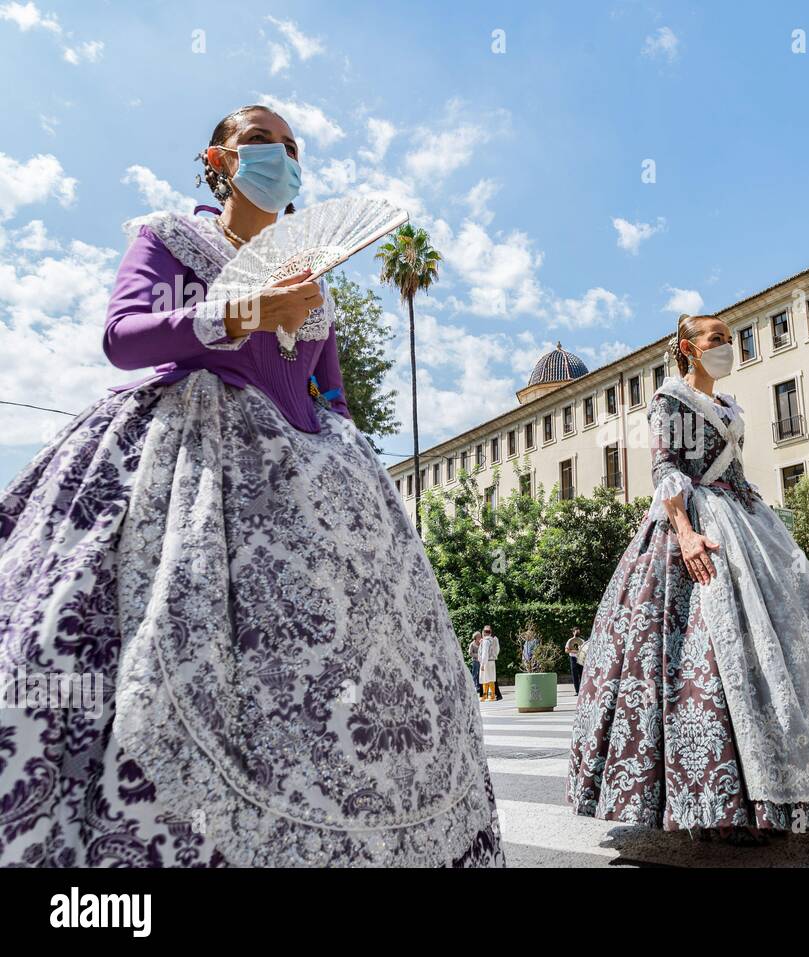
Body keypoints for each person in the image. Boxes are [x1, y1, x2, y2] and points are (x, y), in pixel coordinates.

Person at [0, 105, 502, 868]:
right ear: (221, 160)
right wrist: (240, 312)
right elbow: (122, 335)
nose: (284, 157)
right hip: (196, 455)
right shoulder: (169, 234)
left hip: (317, 474)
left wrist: (348, 463)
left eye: (295, 147)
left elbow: (331, 393)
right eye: (264, 142)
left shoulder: (312, 274)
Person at [568, 314, 809, 843]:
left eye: (729, 338)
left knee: (772, 651)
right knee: (704, 660)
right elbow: (666, 470)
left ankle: (782, 788)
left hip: (747, 520)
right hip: (696, 522)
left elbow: (733, 467)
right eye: (715, 339)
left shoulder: (728, 405)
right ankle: (711, 801)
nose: (726, 346)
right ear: (687, 348)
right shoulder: (669, 399)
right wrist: (687, 534)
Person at [478, 625, 501, 702]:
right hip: (492, 660)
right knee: (491, 678)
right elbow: (497, 650)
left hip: (486, 661)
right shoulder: (493, 640)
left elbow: (484, 653)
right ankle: (491, 696)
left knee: (485, 679)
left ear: (484, 633)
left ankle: (486, 696)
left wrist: (482, 664)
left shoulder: (485, 641)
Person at [565, 628, 585, 694]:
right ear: (573, 632)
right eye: (576, 632)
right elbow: (566, 650)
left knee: (582, 675)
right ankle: (577, 691)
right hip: (573, 659)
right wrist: (574, 651)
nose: (578, 633)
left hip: (580, 658)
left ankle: (582, 691)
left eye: (579, 632)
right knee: (575, 675)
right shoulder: (570, 640)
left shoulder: (582, 641)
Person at [469, 630, 484, 697]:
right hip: (475, 661)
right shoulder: (472, 644)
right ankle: (472, 687)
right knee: (474, 674)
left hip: (481, 661)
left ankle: (478, 688)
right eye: (479, 636)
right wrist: (478, 655)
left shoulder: (482, 643)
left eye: (480, 636)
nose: (480, 637)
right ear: (475, 637)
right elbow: (470, 653)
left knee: (479, 675)